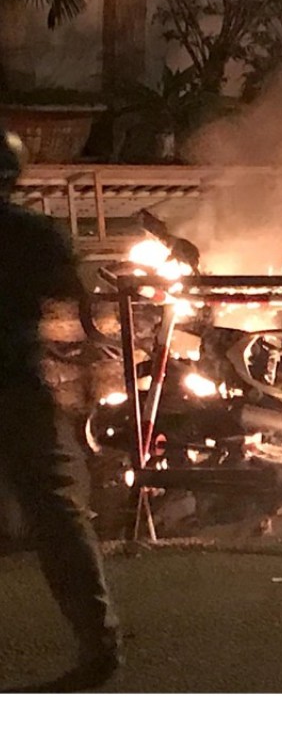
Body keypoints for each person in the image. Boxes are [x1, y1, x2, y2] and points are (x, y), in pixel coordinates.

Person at [0, 129, 123, 690]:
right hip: (19, 387)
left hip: (18, 384)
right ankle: (98, 640)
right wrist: (91, 371)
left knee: (53, 511)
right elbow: (79, 300)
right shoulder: (35, 235)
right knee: (55, 512)